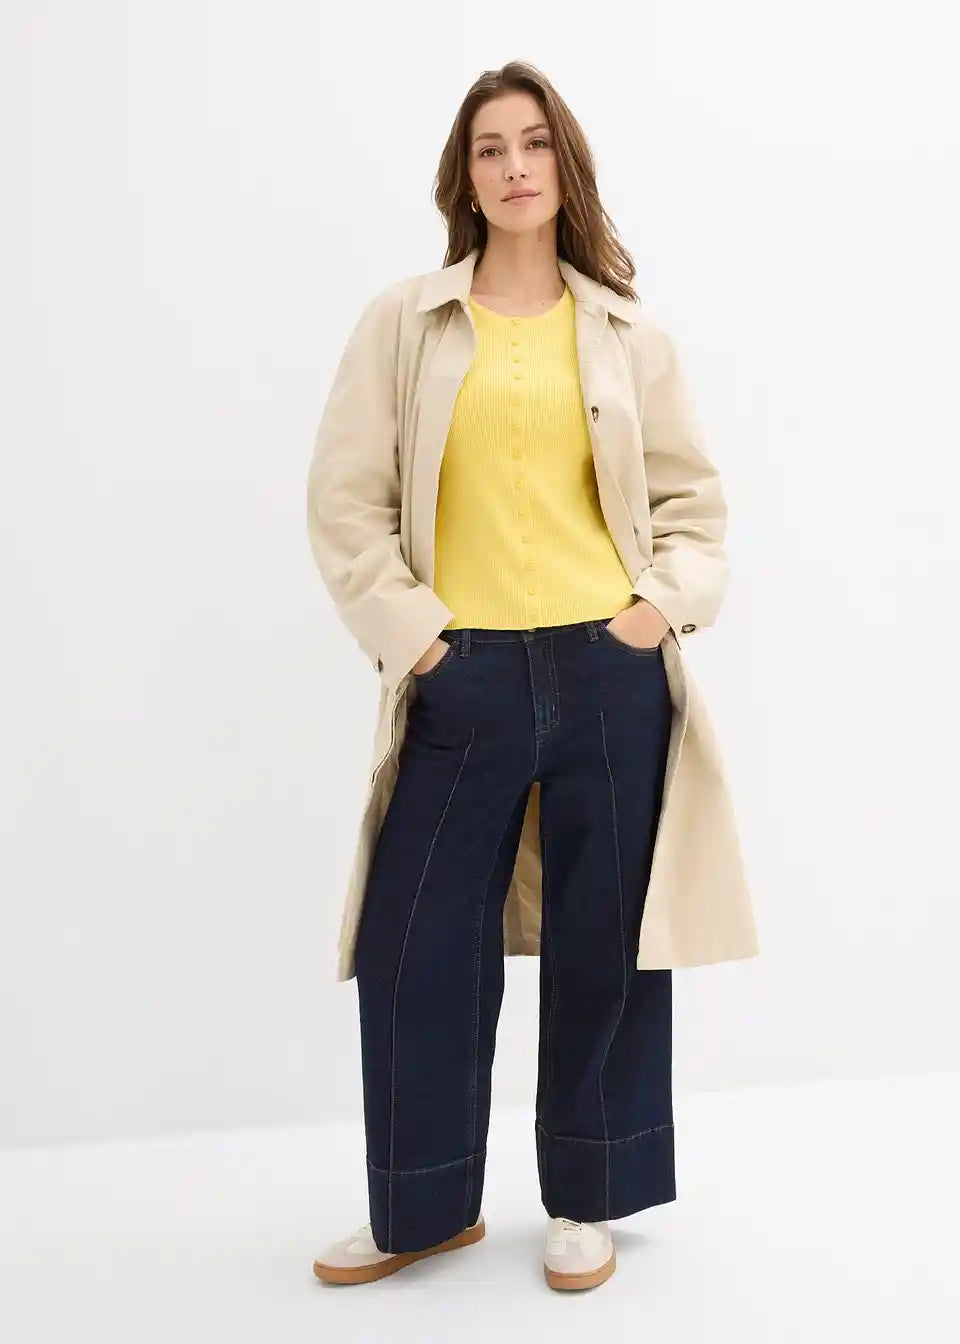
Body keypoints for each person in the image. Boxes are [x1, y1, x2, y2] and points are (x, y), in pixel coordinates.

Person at [307, 60, 757, 1291]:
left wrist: (651, 617)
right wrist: (421, 643)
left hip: (608, 671)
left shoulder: (625, 332)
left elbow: (694, 507)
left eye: (534, 144)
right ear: (464, 177)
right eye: (490, 148)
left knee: (607, 941)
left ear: (566, 166)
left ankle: (590, 1193)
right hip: (462, 674)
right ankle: (420, 1205)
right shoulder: (404, 324)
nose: (514, 167)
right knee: (413, 943)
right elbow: (346, 504)